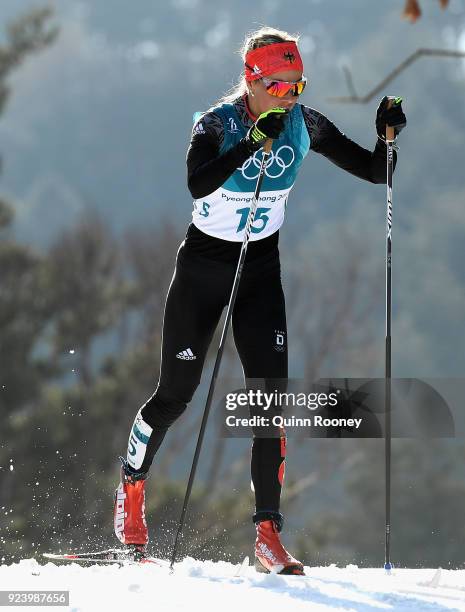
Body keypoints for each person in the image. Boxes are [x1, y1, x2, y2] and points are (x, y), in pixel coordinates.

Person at [113, 26, 407, 575]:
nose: (291, 95)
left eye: (298, 84)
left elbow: (374, 172)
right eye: (280, 84)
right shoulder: (215, 124)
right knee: (176, 393)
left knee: (268, 400)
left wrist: (386, 138)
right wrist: (249, 145)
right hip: (204, 269)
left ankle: (267, 535)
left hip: (259, 272)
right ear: (252, 79)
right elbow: (197, 184)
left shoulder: (304, 122)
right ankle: (131, 488)